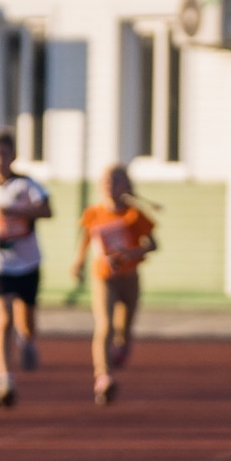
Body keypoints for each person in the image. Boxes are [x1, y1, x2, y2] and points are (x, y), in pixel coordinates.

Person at [0, 128, 52, 406]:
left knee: (25, 321)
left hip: (27, 261)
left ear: (13, 156)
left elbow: (47, 210)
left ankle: (27, 341)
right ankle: (4, 379)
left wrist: (17, 211)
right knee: (2, 319)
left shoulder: (26, 185)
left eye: (3, 154)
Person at [77, 165, 157, 405]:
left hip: (129, 276)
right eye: (106, 180)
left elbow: (152, 244)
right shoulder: (94, 212)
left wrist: (131, 252)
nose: (109, 185)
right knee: (104, 325)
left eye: (116, 181)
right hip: (103, 275)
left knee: (124, 329)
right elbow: (86, 238)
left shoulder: (134, 215)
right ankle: (103, 376)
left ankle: (121, 347)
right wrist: (78, 262)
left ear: (126, 186)